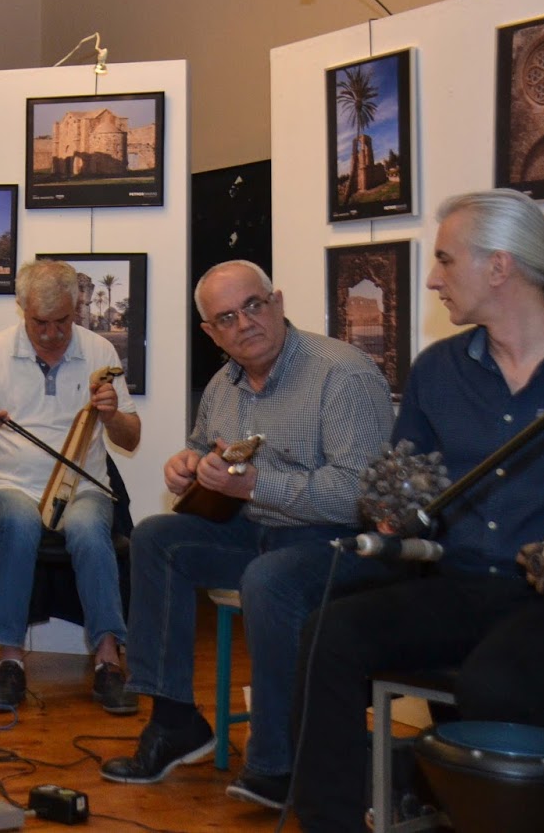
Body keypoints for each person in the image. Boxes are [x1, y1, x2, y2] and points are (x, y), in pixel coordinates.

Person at [292, 190, 544, 832]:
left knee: (495, 682)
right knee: (329, 634)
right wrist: (394, 512)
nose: (433, 278)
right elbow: (407, 488)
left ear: (499, 267)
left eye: (446, 260)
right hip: (460, 587)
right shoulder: (438, 370)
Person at [100, 260, 400, 810]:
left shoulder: (342, 373)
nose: (245, 324)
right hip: (257, 532)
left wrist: (256, 484)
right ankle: (174, 722)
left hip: (342, 542)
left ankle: (278, 764)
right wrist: (188, 466)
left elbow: (361, 495)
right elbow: (204, 447)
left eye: (254, 306)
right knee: (155, 538)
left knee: (269, 579)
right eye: (226, 318)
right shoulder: (224, 384)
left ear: (277, 302)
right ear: (211, 333)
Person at [0, 259, 142, 712]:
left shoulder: (99, 351)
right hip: (7, 486)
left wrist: (112, 415)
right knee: (19, 523)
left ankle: (108, 661)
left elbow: (130, 438)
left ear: (76, 308)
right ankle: (10, 662)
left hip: (84, 488)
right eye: (41, 323)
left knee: (90, 530)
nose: (54, 334)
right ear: (22, 308)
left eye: (63, 322)